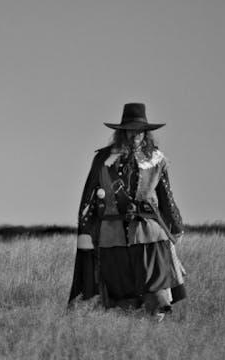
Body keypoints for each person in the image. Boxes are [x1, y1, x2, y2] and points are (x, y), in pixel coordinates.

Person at [68, 102, 186, 321]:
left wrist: (176, 225)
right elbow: (89, 199)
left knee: (156, 290)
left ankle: (155, 334)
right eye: (130, 130)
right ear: (122, 132)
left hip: (150, 234)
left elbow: (166, 197)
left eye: (139, 131)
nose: (135, 135)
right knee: (122, 295)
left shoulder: (157, 159)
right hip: (112, 236)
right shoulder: (103, 159)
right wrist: (86, 231)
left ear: (146, 133)